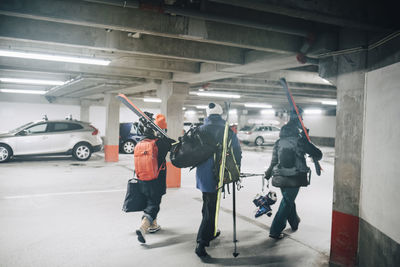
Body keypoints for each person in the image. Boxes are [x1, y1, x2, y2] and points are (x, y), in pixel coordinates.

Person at [194, 103, 242, 257]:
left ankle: (211, 232)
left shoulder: (200, 129)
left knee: (207, 204)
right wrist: (236, 171)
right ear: (220, 114)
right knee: (211, 209)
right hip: (217, 174)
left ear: (207, 114)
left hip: (202, 175)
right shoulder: (226, 130)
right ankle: (201, 243)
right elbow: (237, 152)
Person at [263, 116, 322, 239]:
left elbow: (274, 161)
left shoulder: (278, 142)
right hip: (295, 177)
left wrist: (268, 173)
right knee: (287, 202)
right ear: (296, 130)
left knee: (288, 200)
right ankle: (275, 230)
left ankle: (294, 222)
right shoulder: (300, 141)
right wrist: (306, 139)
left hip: (279, 176)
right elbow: (318, 154)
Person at [135, 113, 172, 243]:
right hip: (156, 181)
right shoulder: (161, 143)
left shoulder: (141, 141)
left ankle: (153, 225)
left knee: (149, 202)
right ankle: (143, 227)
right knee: (153, 205)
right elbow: (174, 146)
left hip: (142, 179)